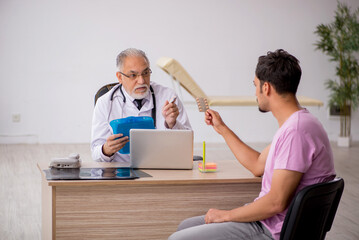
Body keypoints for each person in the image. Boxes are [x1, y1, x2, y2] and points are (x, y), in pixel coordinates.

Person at [168, 49, 336, 240]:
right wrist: (222, 128)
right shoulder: (298, 124)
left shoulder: (296, 131)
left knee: (178, 239)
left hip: (272, 230)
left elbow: (276, 203)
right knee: (185, 227)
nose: (255, 93)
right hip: (270, 221)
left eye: (255, 85)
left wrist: (226, 215)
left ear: (266, 88)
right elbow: (257, 165)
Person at [91, 48, 192, 163]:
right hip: (122, 171)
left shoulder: (168, 97)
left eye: (145, 73)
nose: (141, 81)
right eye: (133, 75)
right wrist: (106, 150)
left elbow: (187, 144)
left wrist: (173, 124)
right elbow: (95, 153)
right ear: (120, 77)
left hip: (161, 167)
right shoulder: (105, 103)